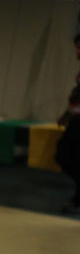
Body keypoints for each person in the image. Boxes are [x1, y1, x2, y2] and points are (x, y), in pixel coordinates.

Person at [56, 33, 80, 214]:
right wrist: (66, 115)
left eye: (79, 47)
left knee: (70, 157)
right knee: (63, 155)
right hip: (75, 121)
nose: (76, 51)